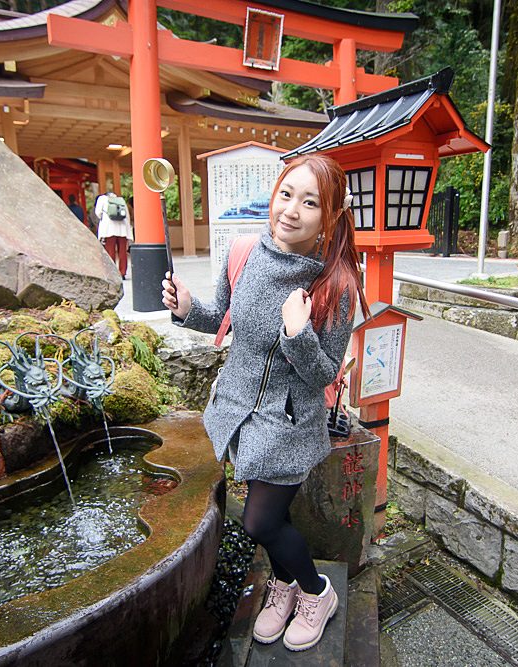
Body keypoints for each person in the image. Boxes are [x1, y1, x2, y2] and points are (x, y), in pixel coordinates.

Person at [161, 154, 368, 652]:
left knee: (258, 521)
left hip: (287, 423)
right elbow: (224, 318)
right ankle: (284, 586)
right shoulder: (244, 252)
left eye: (310, 202)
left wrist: (298, 332)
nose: (292, 210)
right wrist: (189, 310)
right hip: (239, 411)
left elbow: (324, 373)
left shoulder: (335, 284)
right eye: (285, 194)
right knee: (272, 518)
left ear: (331, 216)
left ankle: (317, 592)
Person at [95, 190, 134, 280]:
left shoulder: (102, 199)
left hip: (109, 229)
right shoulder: (120, 200)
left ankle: (112, 273)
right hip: (122, 229)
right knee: (122, 252)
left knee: (110, 251)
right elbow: (126, 215)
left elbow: (98, 213)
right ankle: (122, 272)